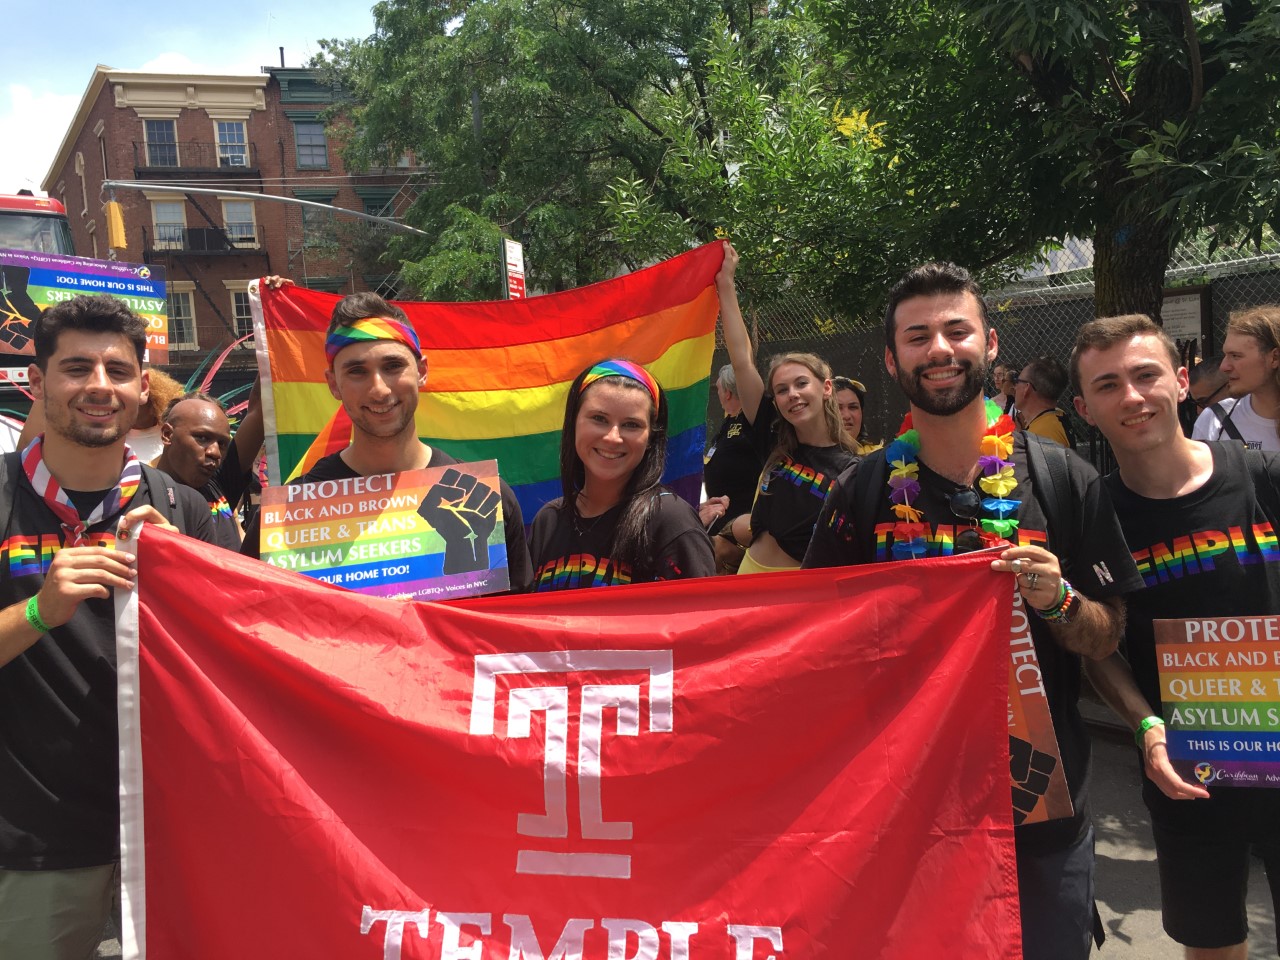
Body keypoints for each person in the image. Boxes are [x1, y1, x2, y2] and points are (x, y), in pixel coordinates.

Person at [803, 261, 1142, 960]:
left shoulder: (1061, 477)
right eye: (918, 336)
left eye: (956, 330)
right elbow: (811, 647)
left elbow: (1108, 633)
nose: (939, 349)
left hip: (1041, 815)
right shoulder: (862, 492)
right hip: (905, 817)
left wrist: (1061, 601)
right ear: (893, 358)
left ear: (989, 344)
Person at [0, 295, 213, 960]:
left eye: (117, 371)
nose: (99, 386)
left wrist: (190, 576)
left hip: (170, 837)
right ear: (37, 383)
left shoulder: (186, 510)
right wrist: (39, 611)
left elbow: (234, 659)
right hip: (38, 845)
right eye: (76, 368)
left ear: (141, 388)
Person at [1071, 314, 1280, 960]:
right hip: (1188, 771)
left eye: (1145, 375)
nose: (1132, 397)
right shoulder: (1094, 518)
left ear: (1182, 381)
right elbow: (1099, 648)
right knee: (1213, 947)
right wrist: (1144, 728)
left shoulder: (1261, 477)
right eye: (1108, 385)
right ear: (1084, 410)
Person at [240, 291, 533, 592]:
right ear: (333, 384)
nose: (379, 390)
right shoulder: (285, 518)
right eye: (357, 372)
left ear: (421, 372)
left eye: (393, 366)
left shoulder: (486, 500)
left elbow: (515, 627)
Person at [716, 245, 859, 574]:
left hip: (801, 596)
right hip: (747, 575)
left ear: (825, 389)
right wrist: (726, 283)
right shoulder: (772, 436)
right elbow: (741, 359)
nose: (792, 394)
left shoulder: (853, 469)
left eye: (801, 384)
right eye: (781, 390)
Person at [529, 359, 714, 590]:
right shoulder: (548, 521)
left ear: (650, 439)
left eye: (631, 425)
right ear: (573, 422)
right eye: (599, 419)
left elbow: (700, 621)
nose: (613, 437)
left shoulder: (672, 523)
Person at [155, 381, 263, 550]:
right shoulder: (140, 495)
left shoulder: (219, 485)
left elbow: (260, 408)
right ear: (168, 434)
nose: (215, 452)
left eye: (222, 443)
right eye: (202, 438)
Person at [18, 365, 185, 462]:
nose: (103, 389)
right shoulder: (96, 433)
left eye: (117, 373)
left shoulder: (169, 439)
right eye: (77, 370)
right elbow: (26, 452)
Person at [1193, 307, 1280, 451]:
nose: (1224, 366)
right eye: (1225, 355)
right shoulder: (1214, 420)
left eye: (1236, 356)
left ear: (1274, 358)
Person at [701, 362, 763, 536]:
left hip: (742, 516)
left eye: (719, 390)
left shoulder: (751, 421)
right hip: (719, 512)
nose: (718, 394)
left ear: (727, 393)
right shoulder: (728, 421)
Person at [1016, 355, 1075, 448]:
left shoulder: (1041, 435)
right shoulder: (1056, 416)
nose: (1015, 387)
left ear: (1027, 388)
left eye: (1017, 381)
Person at [832, 375, 882, 454]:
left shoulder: (879, 457)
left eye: (853, 407)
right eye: (838, 408)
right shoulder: (809, 459)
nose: (847, 416)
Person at [1184, 356, 1228, 437]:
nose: (1199, 411)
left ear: (1229, 387)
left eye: (1204, 402)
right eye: (1195, 403)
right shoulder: (1203, 426)